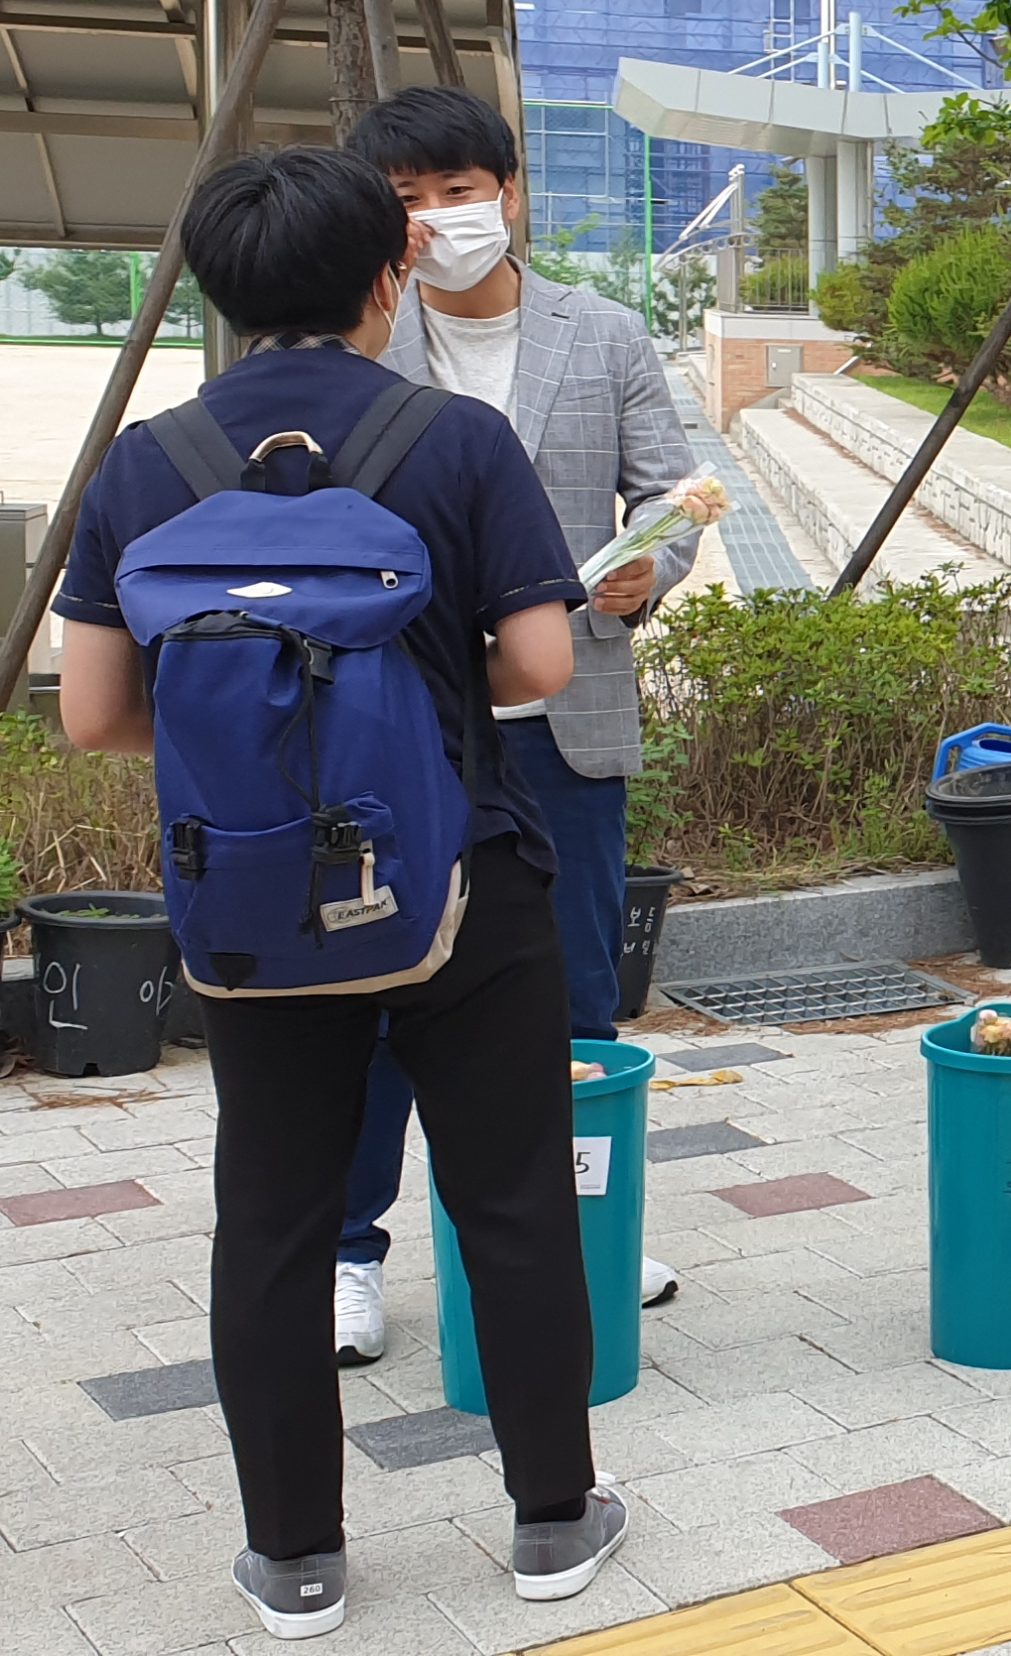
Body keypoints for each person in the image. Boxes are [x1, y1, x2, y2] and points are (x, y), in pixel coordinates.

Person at [53, 146, 624, 1638]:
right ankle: (555, 1524)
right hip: (460, 882)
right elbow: (542, 668)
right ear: (389, 280)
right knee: (509, 1204)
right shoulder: (454, 442)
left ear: (220, 293)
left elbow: (98, 715)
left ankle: (296, 1558)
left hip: (255, 905)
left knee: (276, 1223)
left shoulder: (149, 460)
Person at [331, 84, 700, 1366]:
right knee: (376, 985)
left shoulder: (602, 334)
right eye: (409, 204)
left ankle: (582, 1226)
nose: (440, 222)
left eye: (460, 191)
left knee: (577, 987)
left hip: (569, 705)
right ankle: (349, 1253)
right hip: (401, 720)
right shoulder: (357, 348)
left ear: (510, 192)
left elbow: (672, 495)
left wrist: (659, 566)